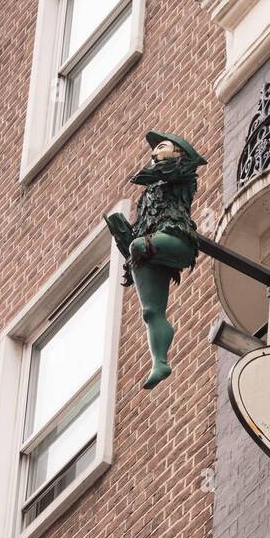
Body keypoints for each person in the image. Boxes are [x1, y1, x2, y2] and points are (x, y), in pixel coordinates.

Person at [105, 131, 207, 389]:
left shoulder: (183, 175)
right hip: (149, 250)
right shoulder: (148, 191)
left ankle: (139, 247)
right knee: (150, 312)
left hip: (176, 238)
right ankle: (160, 361)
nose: (155, 153)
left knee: (139, 245)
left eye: (162, 147)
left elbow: (178, 169)